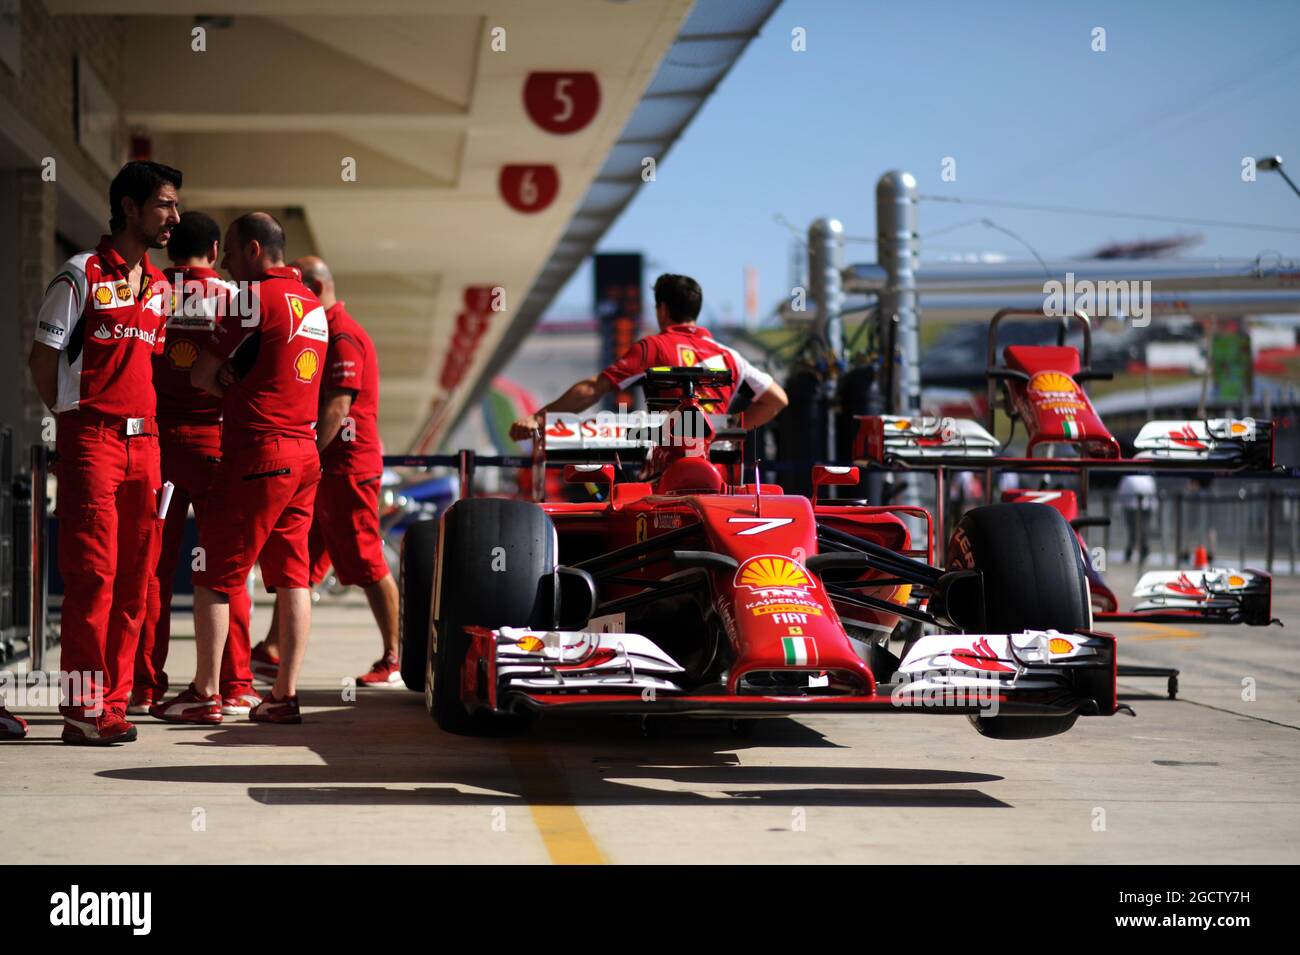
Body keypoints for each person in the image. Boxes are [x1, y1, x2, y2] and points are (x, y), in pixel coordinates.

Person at [150, 213, 327, 725]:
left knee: (213, 573)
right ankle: (283, 696)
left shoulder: (252, 300)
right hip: (305, 454)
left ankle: (206, 692)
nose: (225, 262)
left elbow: (204, 376)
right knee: (293, 578)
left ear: (252, 250)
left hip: (256, 452)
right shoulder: (312, 304)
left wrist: (226, 380)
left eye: (229, 251)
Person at [27, 160, 181, 744]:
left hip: (148, 446)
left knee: (137, 580)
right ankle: (81, 708)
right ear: (129, 209)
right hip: (92, 439)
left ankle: (111, 704)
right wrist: (72, 422)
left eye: (174, 205)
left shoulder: (163, 286)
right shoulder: (79, 273)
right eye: (164, 204)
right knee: (93, 576)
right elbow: (42, 359)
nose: (173, 216)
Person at [249, 256, 400, 688]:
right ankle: (272, 649)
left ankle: (394, 656)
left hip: (346, 466)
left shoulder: (342, 335)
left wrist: (308, 455)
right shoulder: (328, 329)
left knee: (365, 559)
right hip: (329, 467)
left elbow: (337, 406)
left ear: (313, 287)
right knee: (301, 562)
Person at [132, 212, 260, 718]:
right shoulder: (233, 298)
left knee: (152, 571)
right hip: (216, 447)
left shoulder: (152, 292)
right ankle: (234, 684)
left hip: (156, 444)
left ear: (169, 249)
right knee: (226, 571)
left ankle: (144, 686)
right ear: (214, 246)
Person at [509, 274, 788, 442]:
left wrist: (539, 418)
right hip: (719, 472)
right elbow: (777, 400)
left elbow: (594, 389)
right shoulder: (731, 357)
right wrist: (729, 429)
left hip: (663, 463)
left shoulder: (653, 348)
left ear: (662, 309)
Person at [1117, 472, 1158, 563]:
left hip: (1143, 508)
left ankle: (1142, 550)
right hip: (1133, 507)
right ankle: (1132, 551)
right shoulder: (1130, 478)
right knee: (1134, 531)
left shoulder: (1145, 478)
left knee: (1142, 530)